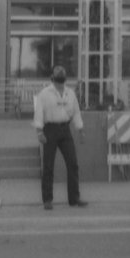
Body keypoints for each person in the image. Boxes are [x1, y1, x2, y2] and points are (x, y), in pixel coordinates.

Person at [33, 67, 87, 210]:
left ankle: (74, 198)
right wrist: (39, 132)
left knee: (73, 164)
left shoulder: (70, 93)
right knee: (48, 166)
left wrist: (80, 129)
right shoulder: (44, 94)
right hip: (50, 129)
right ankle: (47, 200)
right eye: (58, 80)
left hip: (65, 129)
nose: (60, 83)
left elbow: (76, 112)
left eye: (61, 80)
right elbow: (38, 113)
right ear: (53, 79)